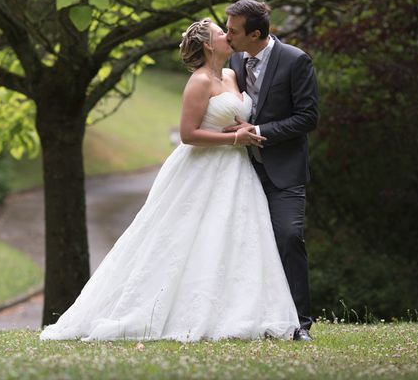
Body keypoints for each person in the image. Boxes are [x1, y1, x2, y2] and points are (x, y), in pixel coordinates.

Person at [40, 19, 300, 342]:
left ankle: (243, 311)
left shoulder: (232, 74)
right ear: (208, 44)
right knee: (182, 238)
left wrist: (244, 132)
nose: (228, 36)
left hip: (237, 172)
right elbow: (188, 135)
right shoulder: (199, 82)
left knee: (235, 237)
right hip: (202, 169)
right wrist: (234, 139)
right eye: (222, 33)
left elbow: (240, 116)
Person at [223, 0, 319, 341]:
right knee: (243, 244)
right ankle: (250, 318)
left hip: (285, 173)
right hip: (242, 171)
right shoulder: (233, 59)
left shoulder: (296, 60)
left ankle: (300, 324)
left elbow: (308, 117)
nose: (227, 35)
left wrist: (260, 133)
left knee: (290, 237)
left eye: (233, 31)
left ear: (256, 33)